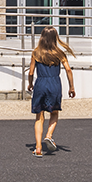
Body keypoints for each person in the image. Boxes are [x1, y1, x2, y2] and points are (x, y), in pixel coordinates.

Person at [27, 26, 76, 157]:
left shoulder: (36, 53)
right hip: (54, 84)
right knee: (54, 113)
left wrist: (30, 83)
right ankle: (49, 135)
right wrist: (71, 87)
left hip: (40, 83)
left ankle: (38, 148)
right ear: (55, 38)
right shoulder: (59, 53)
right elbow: (68, 70)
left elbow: (31, 72)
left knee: (39, 117)